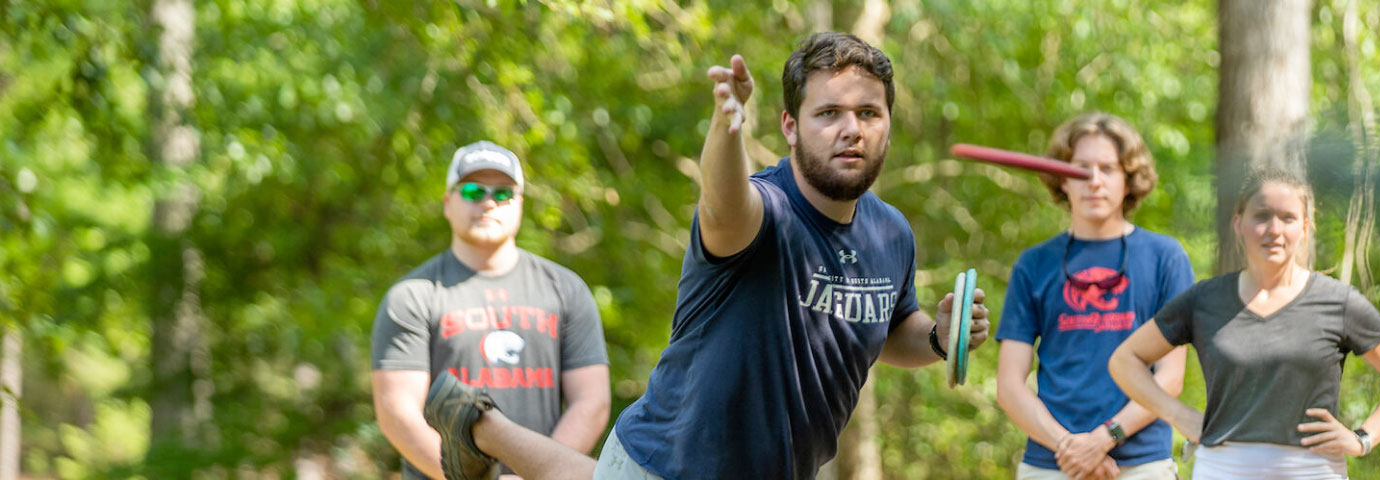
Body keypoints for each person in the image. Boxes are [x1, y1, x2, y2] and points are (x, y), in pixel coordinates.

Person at [418, 32, 991, 480]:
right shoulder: (766, 211)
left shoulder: (891, 234)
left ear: (889, 124)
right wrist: (727, 127)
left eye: (869, 113)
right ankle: (483, 426)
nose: (852, 129)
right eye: (828, 113)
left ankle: (477, 423)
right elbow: (722, 209)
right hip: (673, 461)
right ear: (790, 127)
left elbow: (887, 328)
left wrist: (939, 336)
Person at [1109, 168, 1380, 479]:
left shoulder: (1338, 301)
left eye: (1288, 218)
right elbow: (1125, 360)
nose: (1274, 229)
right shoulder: (1204, 300)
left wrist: (1363, 438)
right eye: (1261, 215)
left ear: (1305, 228)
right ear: (1238, 224)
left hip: (1313, 469)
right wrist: (1179, 415)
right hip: (1223, 467)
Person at [371, 140, 612, 480]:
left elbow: (592, 402)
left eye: (502, 194)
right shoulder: (413, 296)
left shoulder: (565, 289)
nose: (487, 203)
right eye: (472, 191)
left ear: (520, 205)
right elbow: (397, 412)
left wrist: (539, 474)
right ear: (447, 202)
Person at [995, 113, 1192, 480]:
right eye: (1081, 169)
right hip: (1050, 464)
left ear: (1128, 180)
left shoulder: (1166, 258)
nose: (1094, 182)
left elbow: (1170, 377)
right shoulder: (1034, 264)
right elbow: (1008, 385)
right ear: (1062, 179)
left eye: (1108, 169)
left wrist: (1103, 439)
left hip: (1141, 464)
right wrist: (1069, 447)